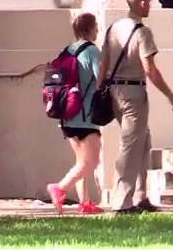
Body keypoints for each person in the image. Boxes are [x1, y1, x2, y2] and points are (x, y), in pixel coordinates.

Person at [96, 0, 173, 214]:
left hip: (113, 92)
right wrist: (171, 97)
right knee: (130, 146)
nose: (150, 6)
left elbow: (103, 64)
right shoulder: (142, 32)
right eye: (149, 2)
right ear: (142, 2)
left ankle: (140, 196)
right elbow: (150, 70)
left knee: (143, 142)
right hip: (133, 94)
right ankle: (121, 203)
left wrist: (98, 92)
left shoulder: (113, 29)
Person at [47, 12, 104, 214]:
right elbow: (100, 79)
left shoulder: (68, 50)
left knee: (81, 162)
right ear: (89, 28)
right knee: (92, 162)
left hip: (67, 113)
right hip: (86, 115)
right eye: (96, 26)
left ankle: (84, 204)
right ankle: (59, 188)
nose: (98, 30)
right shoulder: (91, 51)